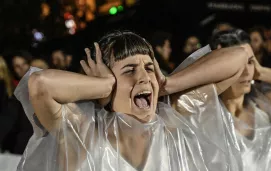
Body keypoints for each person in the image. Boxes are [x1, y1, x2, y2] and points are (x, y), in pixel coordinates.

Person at [15, 31, 252, 170]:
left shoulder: (171, 120)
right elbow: (39, 85)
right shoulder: (82, 131)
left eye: (149, 68)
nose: (143, 77)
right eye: (129, 70)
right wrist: (104, 86)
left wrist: (169, 84)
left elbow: (239, 56)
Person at [174, 29, 271, 171]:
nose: (246, 72)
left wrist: (261, 72)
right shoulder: (198, 114)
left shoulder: (265, 106)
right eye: (238, 65)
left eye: (250, 62)